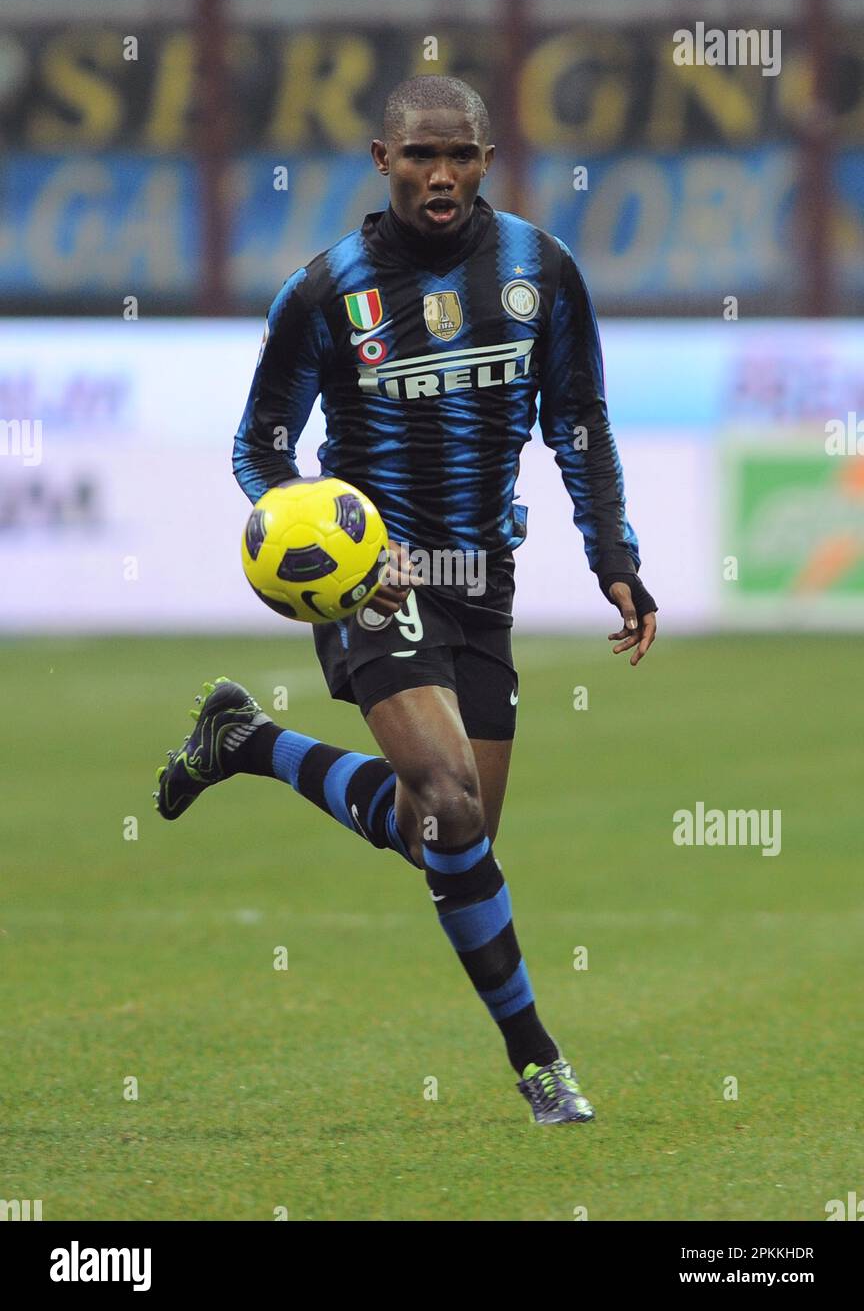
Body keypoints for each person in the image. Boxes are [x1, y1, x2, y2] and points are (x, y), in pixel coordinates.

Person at [155, 75, 657, 1125]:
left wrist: (614, 555)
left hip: (482, 581)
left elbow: (579, 423)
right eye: (422, 156)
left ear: (486, 159)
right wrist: (317, 534)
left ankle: (246, 743)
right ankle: (539, 1061)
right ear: (382, 160)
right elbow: (260, 445)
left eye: (463, 156)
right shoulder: (327, 290)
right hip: (376, 583)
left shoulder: (540, 271)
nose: (443, 175)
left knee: (446, 834)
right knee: (451, 795)